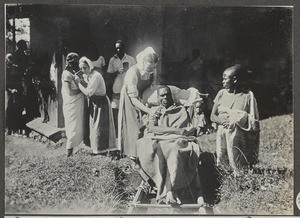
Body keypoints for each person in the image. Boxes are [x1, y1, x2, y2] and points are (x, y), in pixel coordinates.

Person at [136, 85, 203, 205]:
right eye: (162, 95)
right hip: (160, 140)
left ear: (171, 96)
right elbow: (152, 128)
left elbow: (185, 128)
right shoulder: (155, 111)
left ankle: (169, 190)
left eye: (167, 94)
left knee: (175, 149)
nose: (165, 97)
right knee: (161, 149)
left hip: (176, 141)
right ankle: (169, 190)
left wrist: (184, 131)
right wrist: (174, 130)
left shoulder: (180, 110)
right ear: (157, 98)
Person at [210, 64, 260, 174]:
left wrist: (236, 120)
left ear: (235, 80)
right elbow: (212, 116)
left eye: (224, 78)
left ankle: (239, 169)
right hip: (223, 129)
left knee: (239, 161)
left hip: (240, 133)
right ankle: (225, 171)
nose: (222, 81)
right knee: (223, 158)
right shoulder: (221, 93)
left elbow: (253, 120)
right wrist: (225, 121)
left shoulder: (248, 96)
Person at [117, 46, 158, 157]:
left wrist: (148, 102)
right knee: (133, 125)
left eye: (154, 67)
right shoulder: (132, 73)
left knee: (144, 123)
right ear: (142, 62)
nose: (152, 70)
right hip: (130, 98)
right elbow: (133, 99)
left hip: (142, 96)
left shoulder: (153, 71)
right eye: (149, 67)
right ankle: (132, 154)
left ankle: (144, 152)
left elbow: (151, 87)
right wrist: (149, 111)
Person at [75, 56, 116, 155]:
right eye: (81, 68)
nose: (83, 70)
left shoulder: (96, 76)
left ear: (90, 66)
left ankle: (102, 150)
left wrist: (78, 83)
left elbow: (89, 93)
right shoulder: (88, 76)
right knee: (93, 126)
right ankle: (95, 148)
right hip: (94, 102)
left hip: (101, 103)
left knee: (99, 126)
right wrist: (82, 80)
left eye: (84, 67)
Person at [107, 40, 136, 134]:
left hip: (128, 87)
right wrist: (116, 72)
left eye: (120, 48)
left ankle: (126, 130)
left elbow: (136, 73)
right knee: (115, 109)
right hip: (117, 88)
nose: (119, 50)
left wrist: (128, 71)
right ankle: (116, 131)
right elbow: (109, 75)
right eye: (117, 48)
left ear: (124, 48)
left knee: (128, 109)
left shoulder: (131, 59)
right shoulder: (113, 60)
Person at [61, 53, 85, 157]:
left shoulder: (74, 72)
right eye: (73, 63)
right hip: (71, 103)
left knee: (77, 126)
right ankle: (68, 152)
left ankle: (74, 149)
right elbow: (69, 92)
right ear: (69, 63)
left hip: (77, 103)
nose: (75, 65)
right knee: (72, 127)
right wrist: (82, 91)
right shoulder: (66, 74)